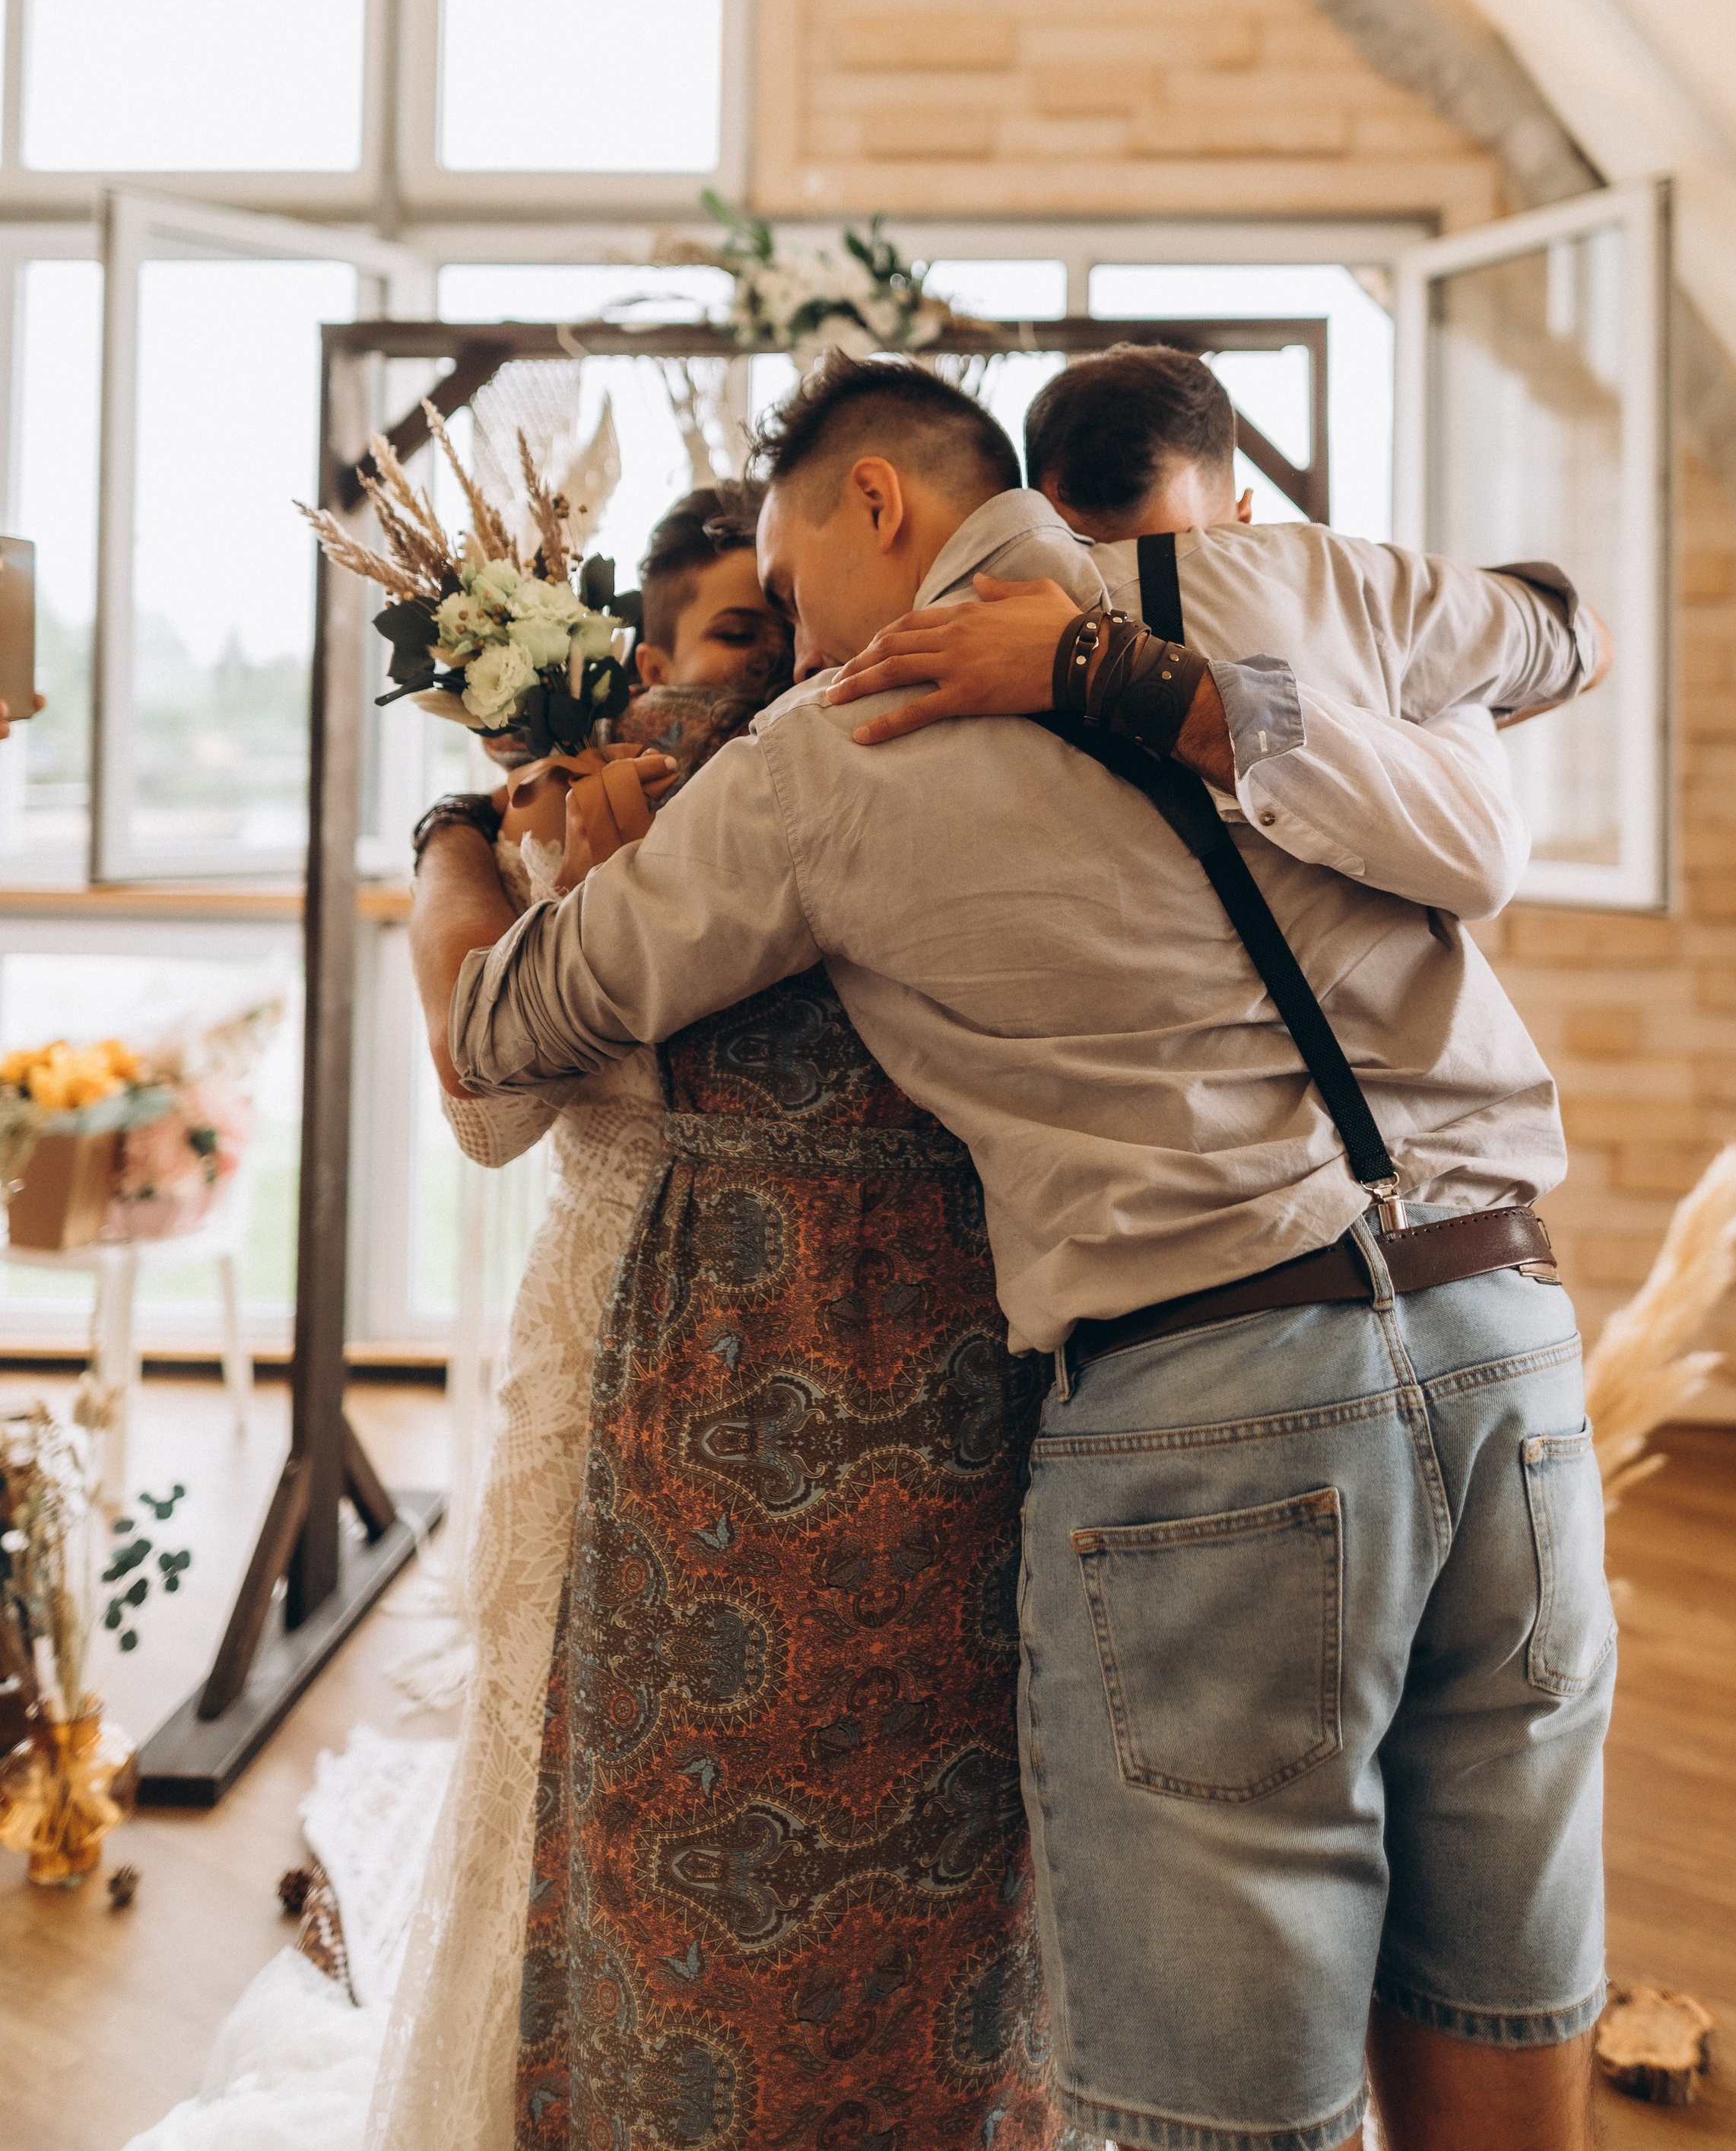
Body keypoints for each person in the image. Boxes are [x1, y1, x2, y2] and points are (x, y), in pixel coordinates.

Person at [432, 356, 1616, 2151]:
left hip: (1218, 1400)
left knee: (1227, 2097)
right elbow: (1556, 635)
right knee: (1494, 1974)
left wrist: (468, 847)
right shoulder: (1303, 582)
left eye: (788, 571)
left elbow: (507, 1032)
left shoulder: (829, 749)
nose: (790, 629)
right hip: (1503, 1332)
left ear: (875, 506)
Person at [369, 488, 796, 2151]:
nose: (776, 665)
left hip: (847, 1349)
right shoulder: (578, 815)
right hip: (615, 1320)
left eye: (792, 626)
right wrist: (465, 840)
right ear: (647, 660)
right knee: (569, 1760)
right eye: (738, 633)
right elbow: (486, 1116)